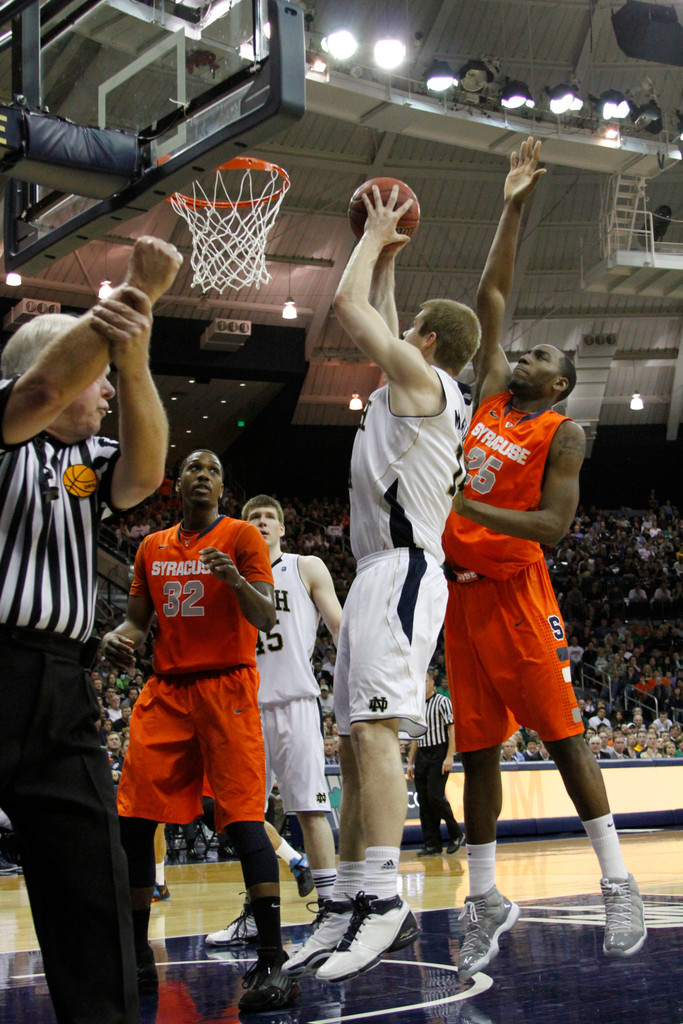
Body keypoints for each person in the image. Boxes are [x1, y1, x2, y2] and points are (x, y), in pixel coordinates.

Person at [442, 138, 646, 982]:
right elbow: (491, 293)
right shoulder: (489, 393)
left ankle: (617, 880)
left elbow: (553, 529)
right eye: (519, 353)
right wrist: (512, 202)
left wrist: (461, 501)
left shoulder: (559, 432)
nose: (520, 356)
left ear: (557, 384)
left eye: (536, 358)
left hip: (518, 592)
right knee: (476, 754)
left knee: (563, 741)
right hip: (459, 599)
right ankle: (484, 897)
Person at [285, 181, 479, 984]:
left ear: (424, 342)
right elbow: (384, 311)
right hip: (377, 574)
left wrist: (375, 231)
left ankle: (382, 898)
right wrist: (394, 253)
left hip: (400, 573)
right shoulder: (424, 382)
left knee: (374, 733)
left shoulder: (419, 381)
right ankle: (347, 902)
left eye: (411, 330)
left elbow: (347, 307)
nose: (399, 332)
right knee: (352, 737)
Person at [0, 235, 182, 1024]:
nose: (104, 396)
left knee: (89, 877)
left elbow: (141, 476)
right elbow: (42, 390)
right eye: (100, 382)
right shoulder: (11, 415)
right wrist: (133, 293)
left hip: (63, 685)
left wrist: (135, 360)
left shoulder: (75, 467)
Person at [101, 450, 298, 1014]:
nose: (203, 476)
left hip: (227, 688)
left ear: (221, 487)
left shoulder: (242, 537)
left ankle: (272, 962)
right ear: (177, 484)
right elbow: (137, 622)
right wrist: (121, 638)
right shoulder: (150, 546)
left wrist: (235, 579)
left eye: (213, 470)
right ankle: (137, 956)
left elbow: (264, 616)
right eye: (193, 468)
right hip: (167, 690)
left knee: (242, 822)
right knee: (134, 821)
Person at [205, 493, 342, 948]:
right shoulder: (230, 576)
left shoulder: (306, 566)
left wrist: (355, 685)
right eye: (252, 518)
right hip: (242, 706)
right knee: (244, 817)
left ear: (283, 528)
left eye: (269, 518)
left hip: (295, 703)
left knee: (310, 808)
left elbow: (339, 627)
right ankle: (258, 913)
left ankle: (331, 911)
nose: (261, 522)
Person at [406, 669, 465, 856]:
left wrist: (450, 755)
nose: (421, 685)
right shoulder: (417, 706)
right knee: (424, 800)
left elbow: (452, 729)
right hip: (422, 754)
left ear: (432, 683)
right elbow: (415, 736)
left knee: (435, 797)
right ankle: (432, 844)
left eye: (424, 681)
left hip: (439, 752)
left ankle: (456, 833)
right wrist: (410, 762)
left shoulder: (442, 702)